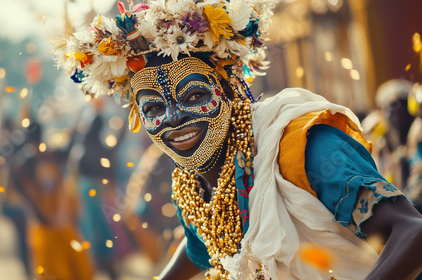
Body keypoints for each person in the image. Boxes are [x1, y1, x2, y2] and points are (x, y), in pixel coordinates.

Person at [55, 0, 422, 279]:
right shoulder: (191, 181)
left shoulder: (301, 147)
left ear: (231, 89)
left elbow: (412, 231)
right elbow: (203, 235)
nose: (173, 119)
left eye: (195, 96)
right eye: (152, 108)